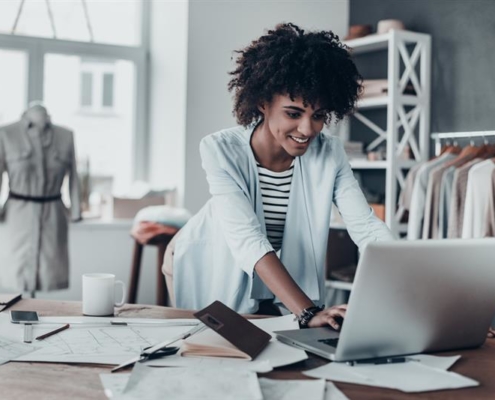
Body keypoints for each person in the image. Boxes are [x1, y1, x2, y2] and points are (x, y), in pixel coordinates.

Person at [163, 23, 394, 329]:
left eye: (319, 116)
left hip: (267, 265)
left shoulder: (329, 153)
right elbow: (248, 239)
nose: (307, 130)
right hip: (204, 256)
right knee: (216, 351)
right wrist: (308, 312)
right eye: (293, 113)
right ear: (263, 102)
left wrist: (403, 283)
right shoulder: (220, 150)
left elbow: (365, 227)